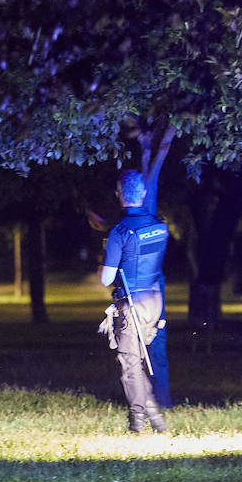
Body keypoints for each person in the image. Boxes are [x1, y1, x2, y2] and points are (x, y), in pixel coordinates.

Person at [99, 171, 169, 433]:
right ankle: (156, 419)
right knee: (138, 360)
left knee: (130, 362)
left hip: (131, 303)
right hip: (154, 301)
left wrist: (103, 259)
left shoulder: (120, 232)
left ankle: (138, 420)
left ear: (119, 195)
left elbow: (107, 278)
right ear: (142, 193)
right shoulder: (160, 227)